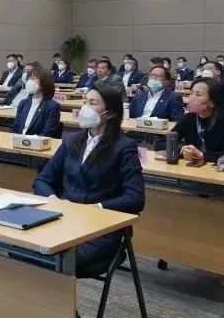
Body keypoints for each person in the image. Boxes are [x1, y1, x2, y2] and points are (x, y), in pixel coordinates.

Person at [33, 84, 145, 268]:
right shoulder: (71, 140)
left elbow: (135, 198)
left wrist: (95, 208)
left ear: (110, 113)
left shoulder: (124, 147)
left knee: (64, 259)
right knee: (22, 247)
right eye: (85, 102)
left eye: (92, 103)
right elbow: (42, 180)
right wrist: (54, 200)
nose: (85, 108)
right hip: (63, 218)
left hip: (99, 227)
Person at [172, 78, 224, 163]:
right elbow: (165, 141)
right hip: (192, 167)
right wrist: (182, 150)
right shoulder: (188, 118)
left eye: (198, 94)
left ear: (213, 101)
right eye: (191, 93)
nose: (191, 97)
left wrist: (203, 155)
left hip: (219, 168)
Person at [11, 68, 61, 137]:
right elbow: (15, 127)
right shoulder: (23, 103)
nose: (29, 81)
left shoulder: (52, 106)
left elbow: (47, 132)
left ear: (44, 83)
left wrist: (27, 140)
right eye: (28, 79)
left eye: (33, 78)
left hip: (37, 141)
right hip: (19, 140)